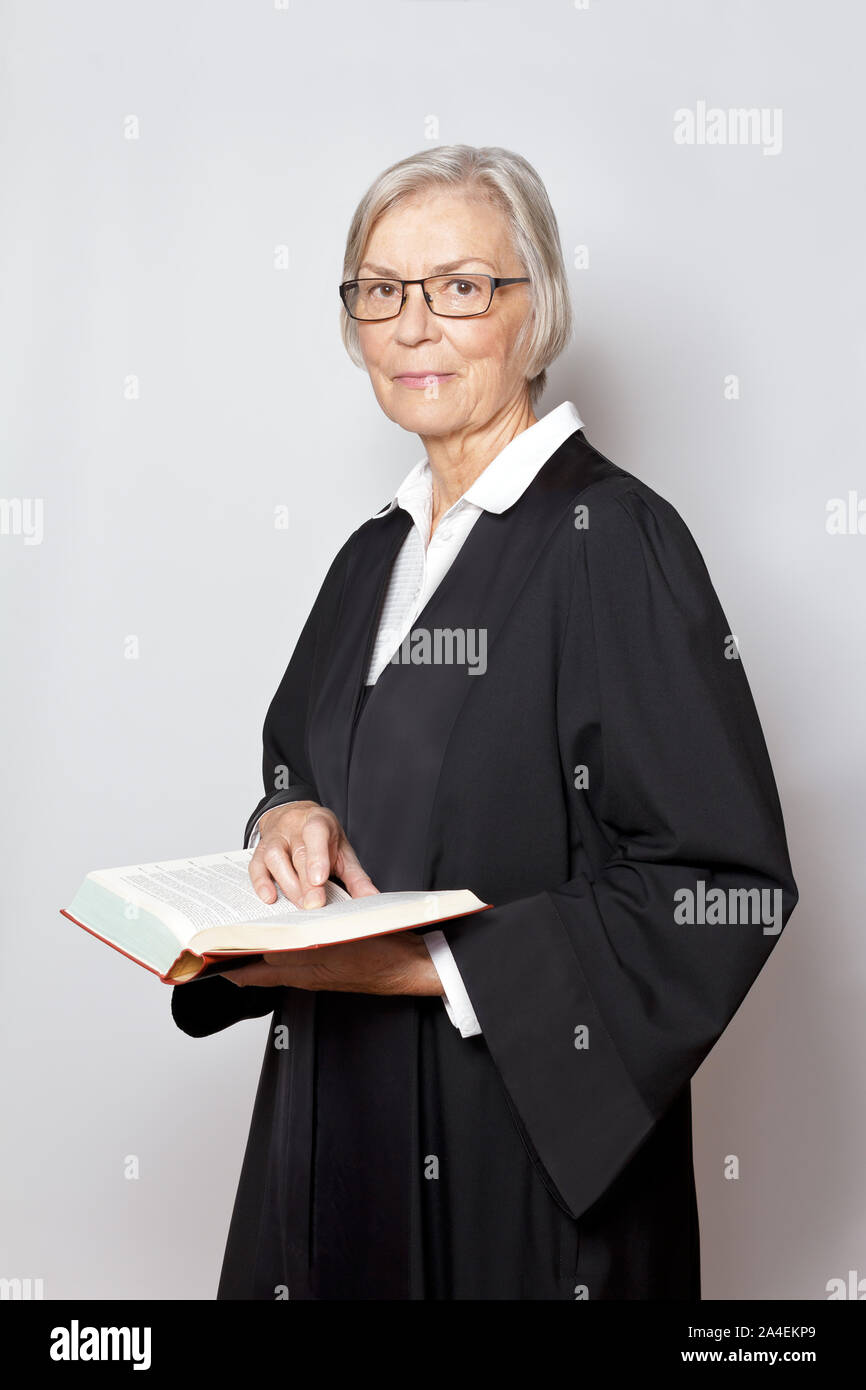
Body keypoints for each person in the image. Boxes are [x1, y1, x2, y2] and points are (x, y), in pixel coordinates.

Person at [171, 143, 798, 1300]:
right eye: (379, 290)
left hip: (514, 1165)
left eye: (461, 286)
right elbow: (300, 760)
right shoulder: (374, 553)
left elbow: (720, 882)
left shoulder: (611, 542)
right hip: (331, 1116)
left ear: (537, 312)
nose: (414, 326)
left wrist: (437, 967)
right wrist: (288, 812)